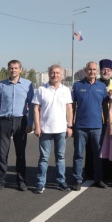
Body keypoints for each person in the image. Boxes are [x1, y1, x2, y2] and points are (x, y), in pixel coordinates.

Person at [0, 60, 34, 192]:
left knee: (20, 153)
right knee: (3, 153)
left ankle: (21, 181)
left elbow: (32, 105)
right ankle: (0, 181)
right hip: (4, 121)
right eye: (11, 68)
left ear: (21, 69)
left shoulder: (27, 84)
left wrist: (30, 122)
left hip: (21, 121)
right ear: (8, 69)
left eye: (16, 68)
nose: (13, 70)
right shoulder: (1, 85)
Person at [32, 64, 73, 193]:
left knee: (60, 157)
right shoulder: (41, 90)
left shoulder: (65, 90)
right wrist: (37, 126)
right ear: (49, 74)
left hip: (61, 129)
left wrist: (70, 125)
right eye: (52, 72)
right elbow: (36, 109)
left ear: (61, 75)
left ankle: (61, 181)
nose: (55, 75)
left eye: (57, 73)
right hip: (45, 129)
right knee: (44, 158)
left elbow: (69, 109)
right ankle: (40, 182)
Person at [71, 61, 109, 190]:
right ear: (85, 70)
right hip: (80, 127)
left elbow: (105, 105)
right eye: (89, 69)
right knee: (78, 154)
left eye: (94, 70)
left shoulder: (102, 87)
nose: (92, 72)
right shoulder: (77, 86)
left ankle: (98, 178)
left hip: (97, 126)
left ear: (97, 71)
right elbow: (72, 106)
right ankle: (77, 179)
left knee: (98, 155)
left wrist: (106, 122)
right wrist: (71, 124)